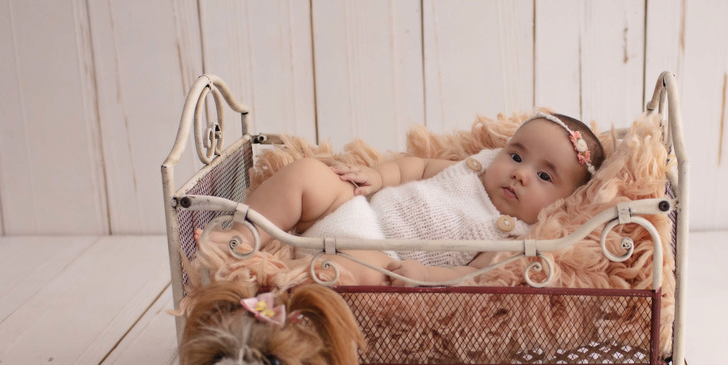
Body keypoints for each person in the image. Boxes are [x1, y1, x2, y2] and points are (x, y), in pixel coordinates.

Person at [235, 112, 605, 285]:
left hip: (383, 256)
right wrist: (377, 176)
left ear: (563, 202)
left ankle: (276, 286)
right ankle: (242, 237)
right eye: (517, 156)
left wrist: (425, 274)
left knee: (360, 269)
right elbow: (417, 166)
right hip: (354, 211)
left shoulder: (516, 238)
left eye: (543, 176)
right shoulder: (474, 168)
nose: (520, 173)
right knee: (308, 172)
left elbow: (474, 274)